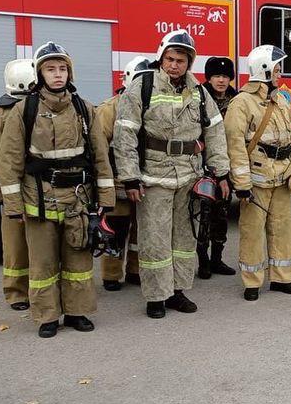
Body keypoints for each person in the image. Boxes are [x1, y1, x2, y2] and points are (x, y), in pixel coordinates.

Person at [0, 42, 116, 338]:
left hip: (77, 200)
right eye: (51, 69)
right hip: (40, 201)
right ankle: (47, 315)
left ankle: (77, 312)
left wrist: (106, 198)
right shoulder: (25, 111)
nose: (58, 74)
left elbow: (100, 155)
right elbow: (8, 159)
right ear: (40, 74)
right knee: (43, 262)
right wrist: (13, 205)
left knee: (78, 259)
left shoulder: (84, 109)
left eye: (62, 69)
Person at [113, 30, 230, 319]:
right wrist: (129, 177)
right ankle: (156, 297)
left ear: (189, 62)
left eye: (181, 60)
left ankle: (178, 291)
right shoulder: (142, 87)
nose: (175, 65)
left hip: (189, 177)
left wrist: (221, 173)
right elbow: (125, 134)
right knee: (155, 240)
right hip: (153, 176)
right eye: (170, 59)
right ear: (161, 58)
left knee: (184, 239)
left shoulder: (200, 93)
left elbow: (215, 133)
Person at [223, 45, 291, 300]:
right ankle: (252, 282)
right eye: (277, 69)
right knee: (252, 231)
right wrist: (242, 182)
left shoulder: (280, 100)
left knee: (283, 228)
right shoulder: (241, 103)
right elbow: (235, 144)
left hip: (283, 178)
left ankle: (282, 279)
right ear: (265, 70)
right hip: (257, 180)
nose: (280, 73)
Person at [0, 59, 37, 309]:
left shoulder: (37, 108)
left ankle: (39, 289)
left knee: (40, 243)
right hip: (14, 188)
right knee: (15, 244)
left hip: (38, 188)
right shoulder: (0, 114)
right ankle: (16, 292)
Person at [95, 57, 150, 291]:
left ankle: (135, 270)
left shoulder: (151, 106)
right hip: (117, 182)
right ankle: (111, 274)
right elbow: (98, 147)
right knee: (116, 229)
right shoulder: (111, 109)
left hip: (144, 180)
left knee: (141, 230)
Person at [197, 55, 238, 279]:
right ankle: (203, 260)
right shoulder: (199, 97)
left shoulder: (236, 99)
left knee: (221, 214)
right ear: (209, 78)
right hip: (203, 167)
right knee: (203, 213)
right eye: (216, 76)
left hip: (227, 165)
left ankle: (217, 259)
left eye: (225, 76)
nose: (221, 80)